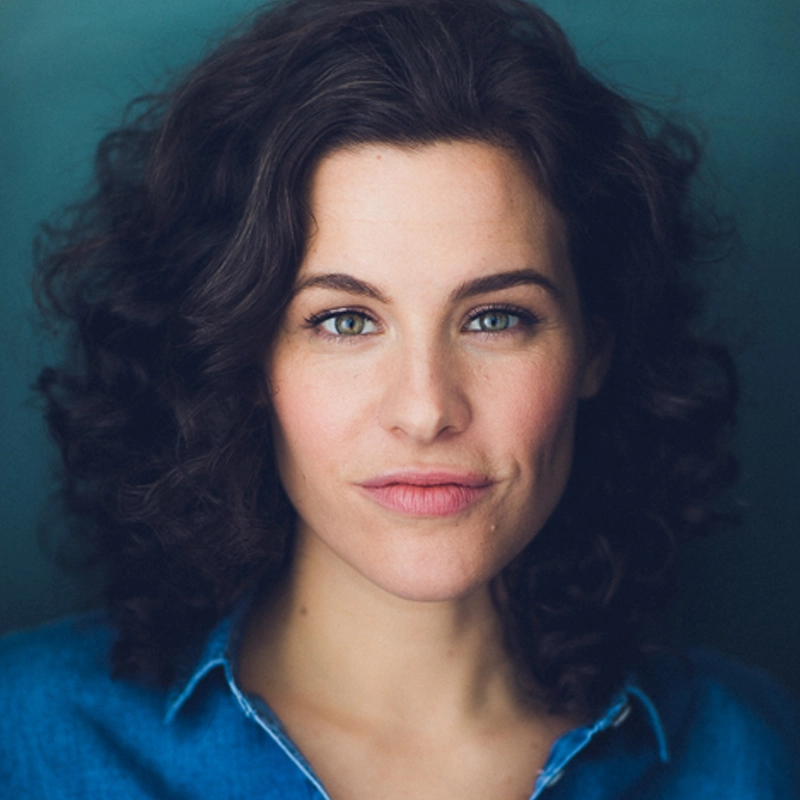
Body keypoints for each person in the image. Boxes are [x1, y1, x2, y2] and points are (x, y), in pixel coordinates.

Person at [1, 0, 797, 796]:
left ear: (595, 347)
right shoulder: (27, 738)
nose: (424, 410)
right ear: (244, 360)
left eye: (495, 318)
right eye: (345, 321)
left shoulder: (750, 755)